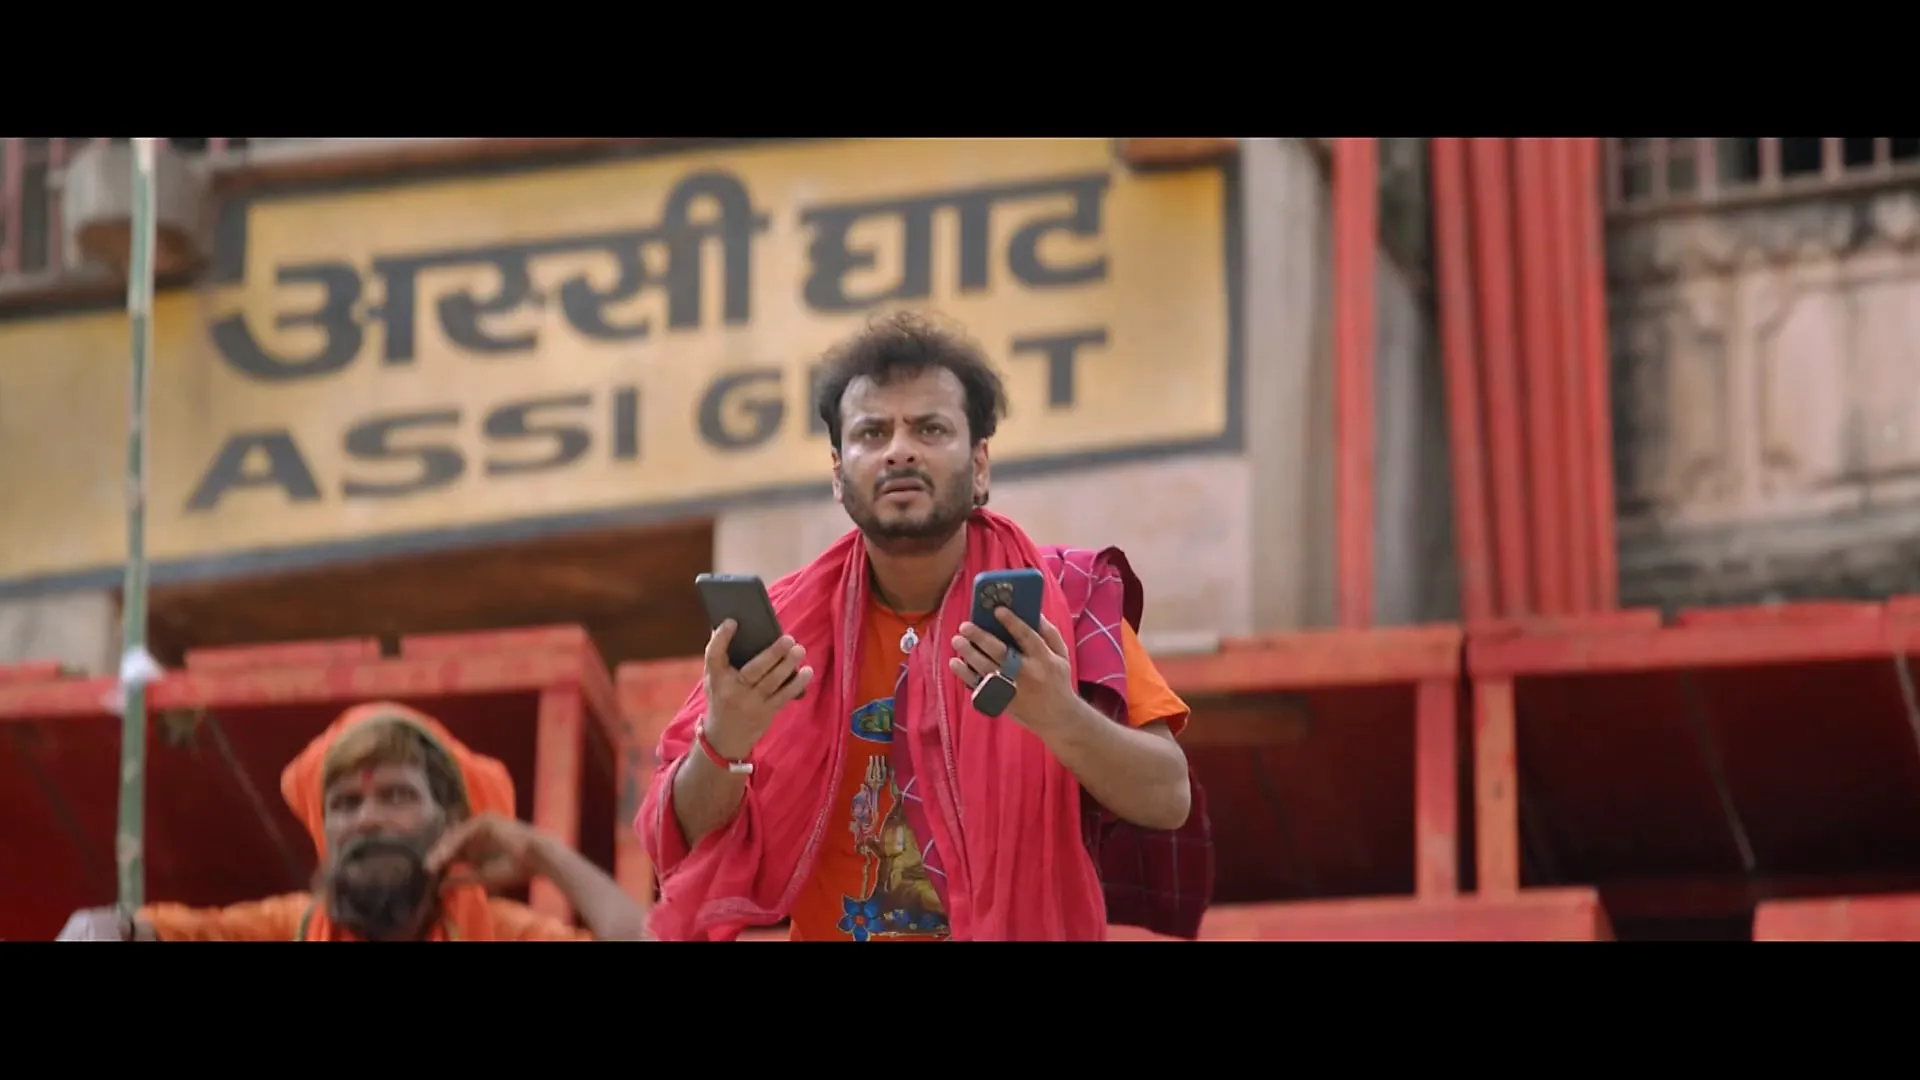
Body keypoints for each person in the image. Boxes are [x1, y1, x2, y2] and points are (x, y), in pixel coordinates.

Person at [637, 310, 1214, 942]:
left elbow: (1169, 798)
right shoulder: (786, 629)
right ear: (838, 475)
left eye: (930, 428)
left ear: (980, 465)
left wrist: (1058, 715)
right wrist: (725, 738)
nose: (899, 449)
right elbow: (679, 842)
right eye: (872, 432)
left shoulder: (1062, 604)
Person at [57, 701, 649, 941]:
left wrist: (543, 854)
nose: (367, 818)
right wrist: (101, 929)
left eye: (397, 795)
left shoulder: (501, 934)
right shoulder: (282, 930)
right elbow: (137, 933)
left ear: (452, 826)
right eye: (343, 804)